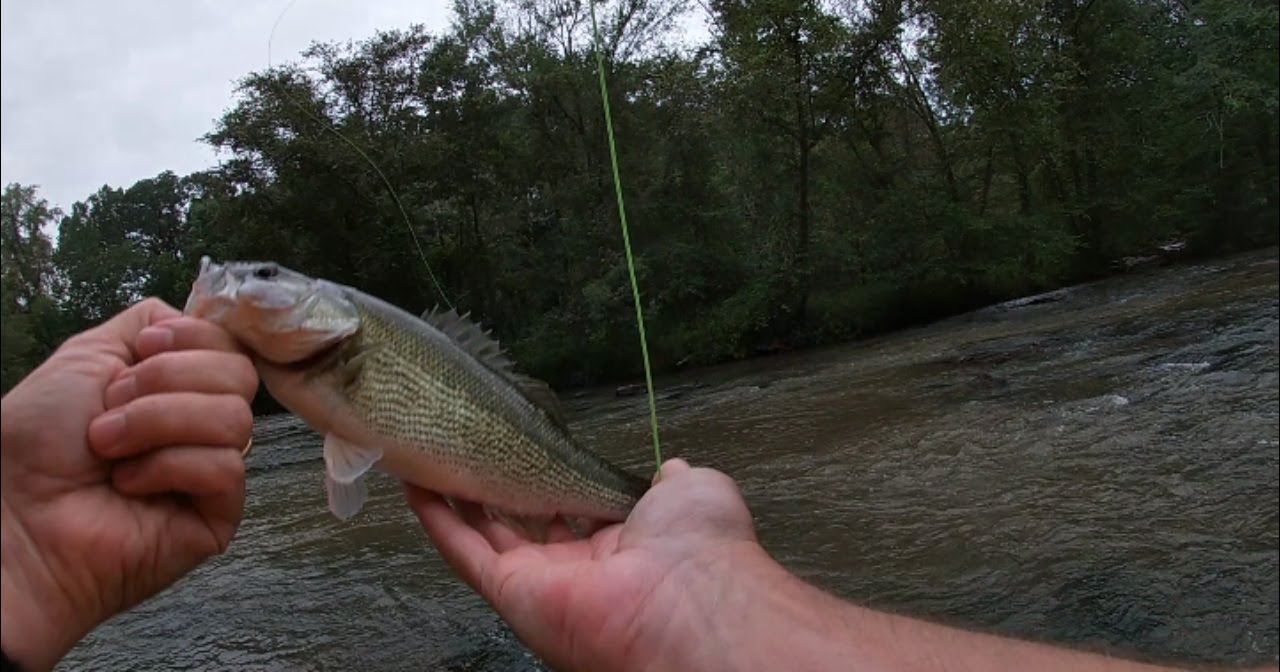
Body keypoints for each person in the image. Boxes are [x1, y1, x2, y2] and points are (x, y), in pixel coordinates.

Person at [0, 299, 1270, 672]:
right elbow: (349, 449)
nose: (240, 286)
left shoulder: (344, 357)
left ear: (324, 317)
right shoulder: (317, 373)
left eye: (267, 277)